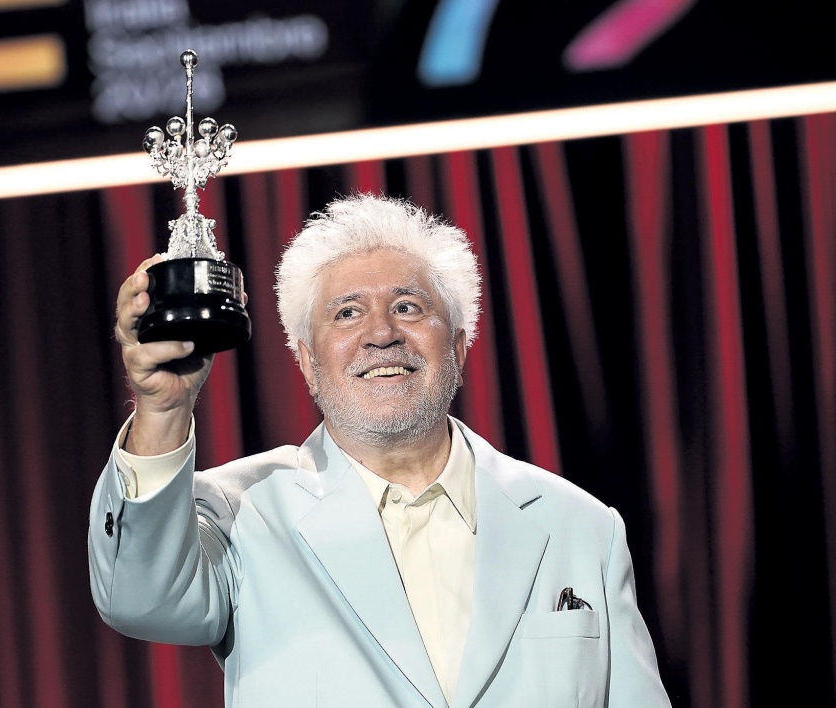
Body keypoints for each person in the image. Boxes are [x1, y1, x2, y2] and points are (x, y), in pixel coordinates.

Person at [89, 194, 672, 707]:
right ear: (308, 362)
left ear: (459, 346)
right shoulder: (239, 512)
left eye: (408, 307)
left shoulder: (582, 527)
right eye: (347, 313)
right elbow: (139, 599)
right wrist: (162, 411)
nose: (381, 334)